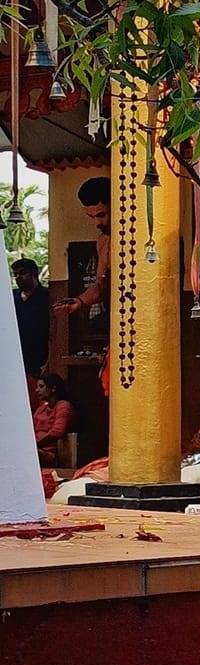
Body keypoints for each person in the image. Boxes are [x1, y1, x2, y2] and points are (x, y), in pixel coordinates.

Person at [55, 176, 111, 392]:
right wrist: (79, 301)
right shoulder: (103, 242)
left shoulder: (136, 233)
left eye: (102, 215)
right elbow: (100, 286)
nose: (98, 223)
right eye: (92, 217)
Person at [11, 257, 49, 386]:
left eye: (22, 273)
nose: (18, 277)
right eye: (15, 274)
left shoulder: (46, 296)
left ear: (34, 274)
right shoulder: (11, 298)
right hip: (16, 357)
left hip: (39, 358)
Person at [32, 373, 74, 466]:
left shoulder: (63, 406)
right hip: (35, 449)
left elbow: (57, 432)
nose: (37, 390)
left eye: (41, 386)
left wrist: (34, 445)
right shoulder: (41, 409)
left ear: (53, 388)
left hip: (49, 454)